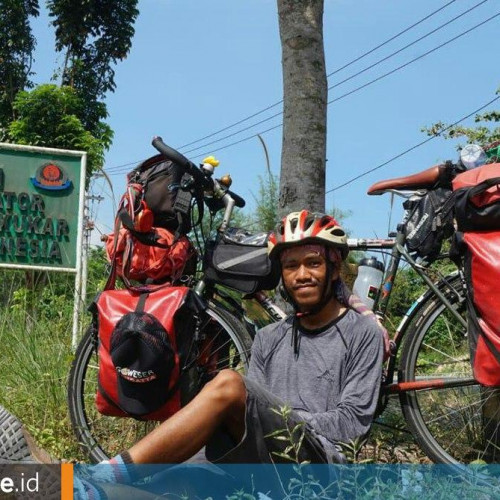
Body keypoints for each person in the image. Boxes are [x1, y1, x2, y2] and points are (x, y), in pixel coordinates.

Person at [1, 210, 384, 494]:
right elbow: (253, 419)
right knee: (169, 481)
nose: (302, 275)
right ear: (281, 275)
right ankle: (51, 483)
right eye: (291, 266)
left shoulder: (362, 333)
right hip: (261, 462)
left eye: (313, 263)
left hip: (320, 470)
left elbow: (352, 425)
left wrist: (272, 416)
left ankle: (100, 475)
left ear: (334, 268)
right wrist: (246, 423)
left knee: (228, 384)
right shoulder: (269, 337)